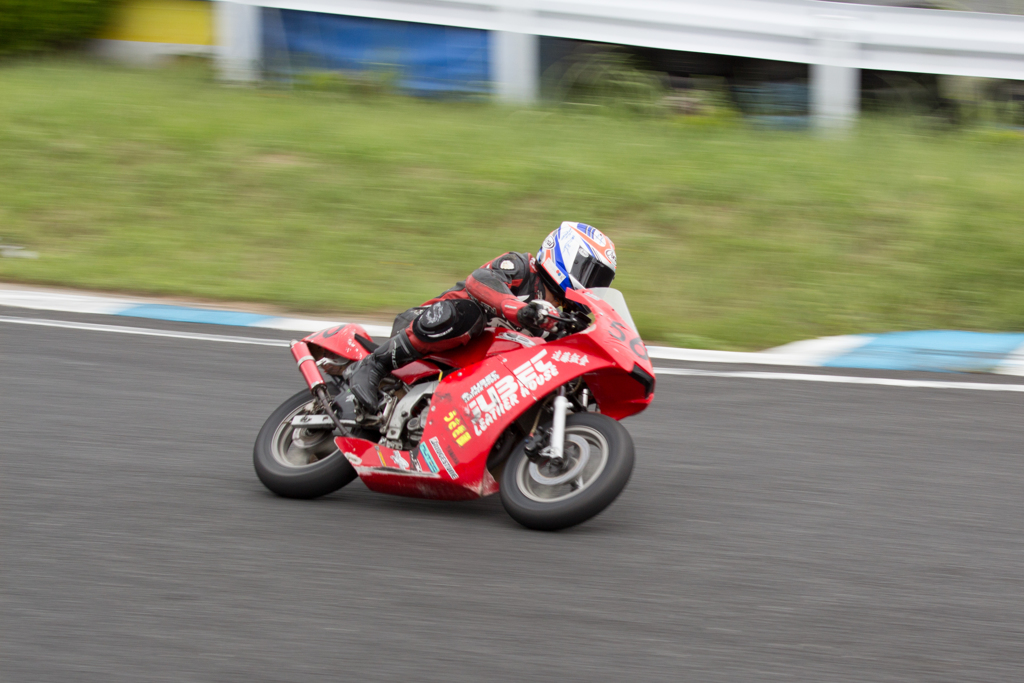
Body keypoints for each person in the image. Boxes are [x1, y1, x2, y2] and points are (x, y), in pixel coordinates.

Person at [349, 221, 618, 411]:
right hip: (427, 328)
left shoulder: (556, 320)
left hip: (469, 372)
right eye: (591, 274)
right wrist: (519, 309)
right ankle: (375, 364)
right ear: (566, 254)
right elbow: (479, 280)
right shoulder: (522, 267)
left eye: (600, 281)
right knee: (470, 314)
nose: (593, 284)